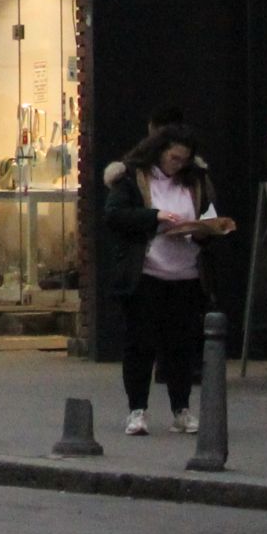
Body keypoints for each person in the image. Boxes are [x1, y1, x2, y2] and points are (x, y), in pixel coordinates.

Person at [102, 124, 233, 436]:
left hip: (186, 275)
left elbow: (206, 214)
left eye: (184, 160)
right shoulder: (133, 177)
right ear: (159, 151)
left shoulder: (196, 181)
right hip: (147, 272)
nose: (178, 165)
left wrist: (206, 231)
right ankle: (137, 410)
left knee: (181, 346)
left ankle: (181, 409)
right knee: (140, 343)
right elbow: (115, 215)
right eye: (174, 158)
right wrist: (155, 216)